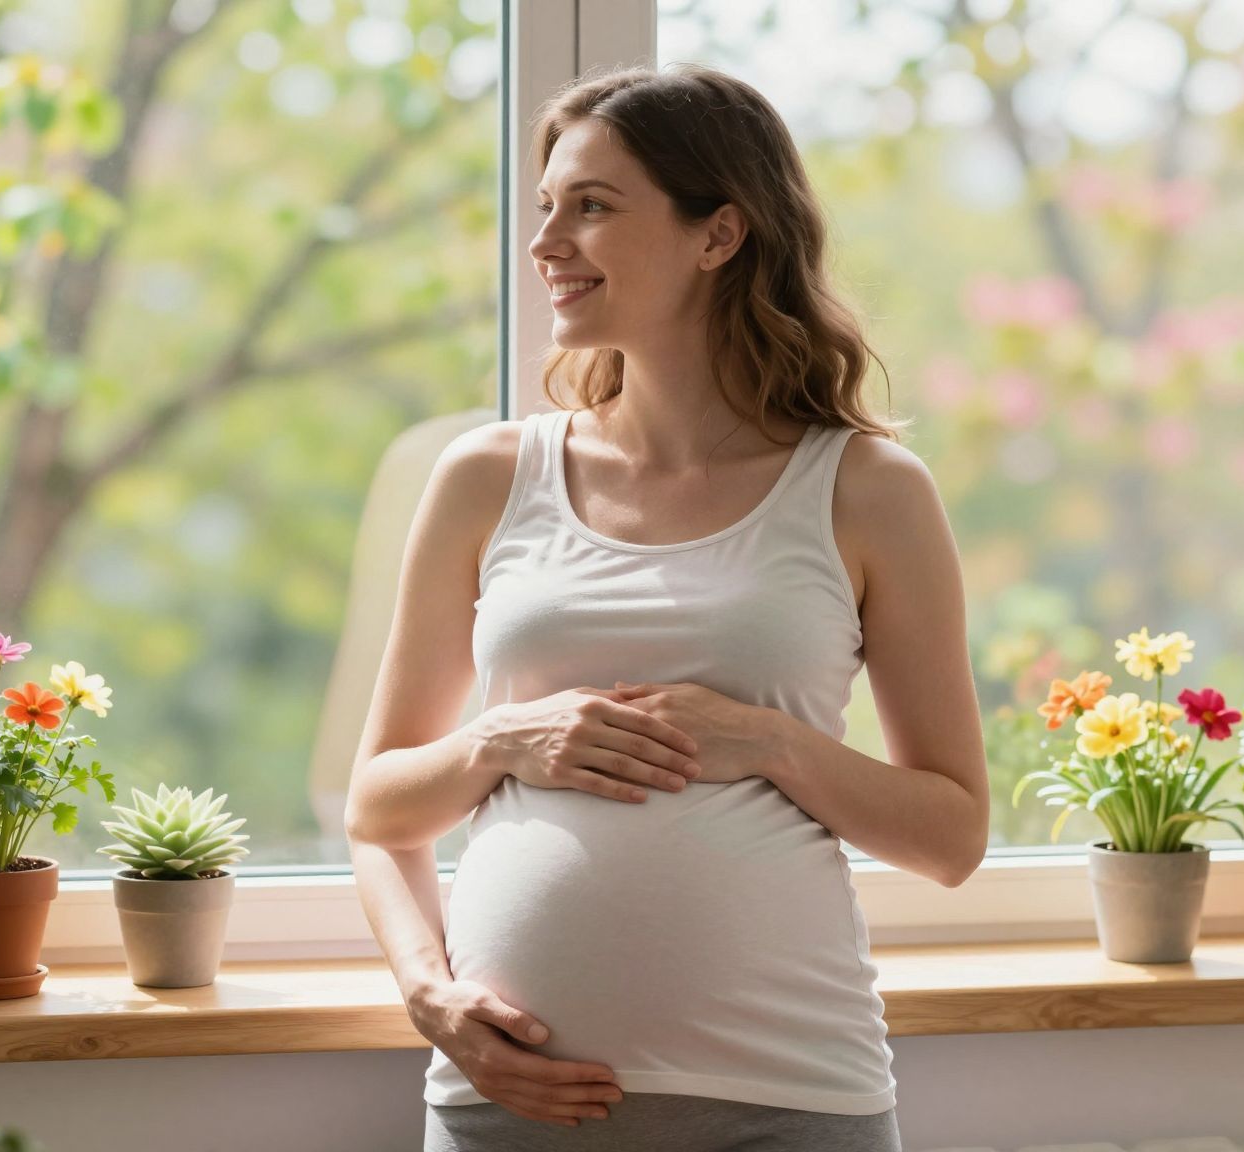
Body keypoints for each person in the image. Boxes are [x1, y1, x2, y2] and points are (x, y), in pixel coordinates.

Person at [344, 62, 988, 1152]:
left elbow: (951, 836)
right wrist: (429, 988)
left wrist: (769, 741)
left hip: (790, 1101)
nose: (546, 242)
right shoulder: (487, 476)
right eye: (546, 207)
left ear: (717, 235)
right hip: (510, 1101)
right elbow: (378, 806)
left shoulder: (867, 490)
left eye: (590, 206)